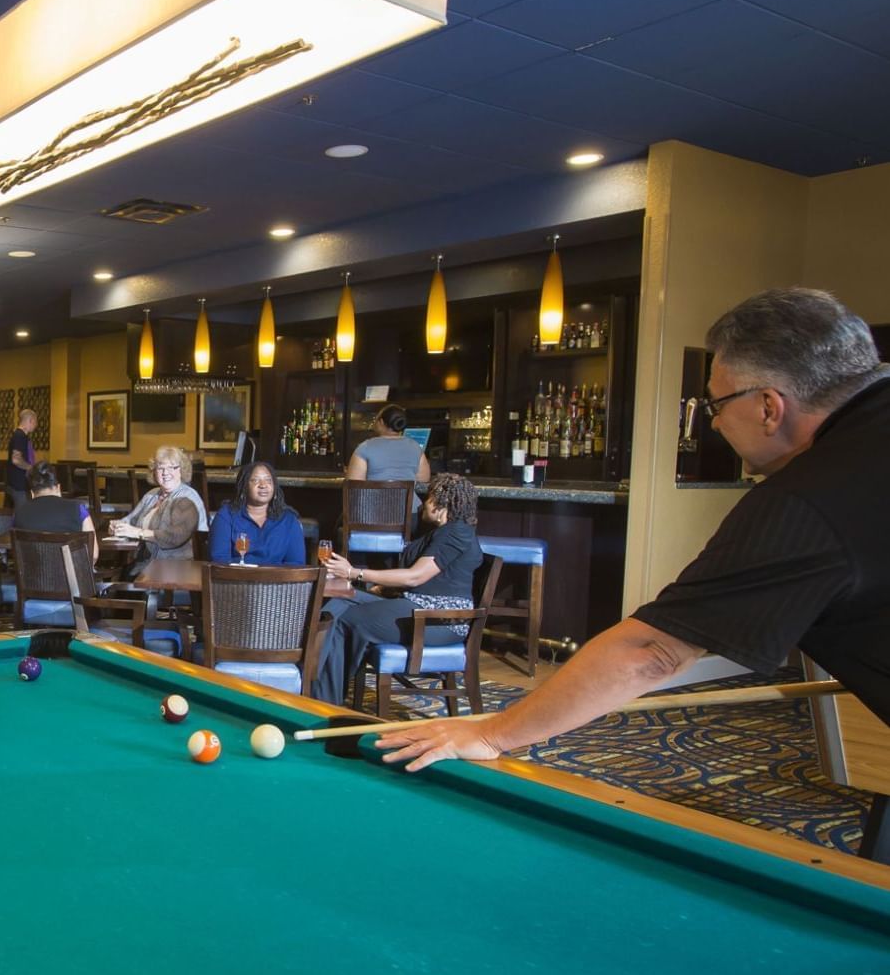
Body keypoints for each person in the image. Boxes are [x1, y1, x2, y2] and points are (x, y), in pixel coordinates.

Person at [376, 287, 890, 773]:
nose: (711, 423)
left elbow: (653, 652)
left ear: (768, 407)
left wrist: (492, 734)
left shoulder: (805, 499)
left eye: (714, 406)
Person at [314, 473, 483, 706]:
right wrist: (384, 587)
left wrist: (354, 573)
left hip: (439, 620)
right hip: (418, 607)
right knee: (340, 602)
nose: (425, 503)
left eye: (430, 497)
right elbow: (427, 579)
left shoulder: (456, 532)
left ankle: (325, 702)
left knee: (349, 619)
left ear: (442, 503)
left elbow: (416, 576)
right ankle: (316, 686)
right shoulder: (443, 532)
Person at [110, 445, 209, 564]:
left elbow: (174, 537)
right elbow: (130, 520)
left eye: (172, 467)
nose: (165, 472)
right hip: (146, 564)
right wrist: (117, 526)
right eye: (160, 468)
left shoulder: (188, 497)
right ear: (154, 471)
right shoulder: (151, 495)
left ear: (181, 470)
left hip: (178, 567)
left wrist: (138, 532)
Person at [210, 462, 305, 565]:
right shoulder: (226, 515)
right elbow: (219, 560)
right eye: (255, 480)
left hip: (277, 580)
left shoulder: (288, 520)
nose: (263, 485)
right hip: (237, 579)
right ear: (244, 486)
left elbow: (296, 564)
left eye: (268, 480)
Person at [346, 405, 430, 514]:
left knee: (340, 522)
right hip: (408, 515)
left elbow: (352, 484)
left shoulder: (365, 447)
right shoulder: (416, 447)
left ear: (381, 422)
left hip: (372, 516)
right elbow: (423, 480)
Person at [13, 462, 97, 560]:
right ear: (58, 488)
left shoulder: (19, 513)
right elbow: (93, 554)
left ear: (32, 493)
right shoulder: (78, 509)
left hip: (32, 575)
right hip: (69, 575)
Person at [6, 409, 39, 509]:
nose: (36, 425)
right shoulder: (19, 436)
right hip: (18, 484)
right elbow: (16, 459)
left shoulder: (21, 436)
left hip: (19, 483)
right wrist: (31, 468)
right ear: (31, 420)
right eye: (35, 422)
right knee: (22, 513)